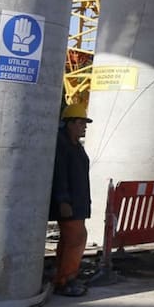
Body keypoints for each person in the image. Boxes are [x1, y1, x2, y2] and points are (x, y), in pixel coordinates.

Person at [49, 103, 92, 297]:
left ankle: (62, 277)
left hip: (78, 202)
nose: (84, 127)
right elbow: (60, 175)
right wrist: (63, 200)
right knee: (77, 238)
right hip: (69, 203)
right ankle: (67, 279)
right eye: (81, 123)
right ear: (70, 123)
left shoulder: (75, 145)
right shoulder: (63, 145)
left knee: (69, 241)